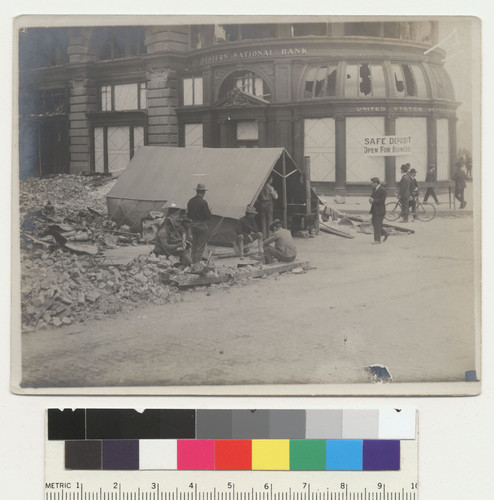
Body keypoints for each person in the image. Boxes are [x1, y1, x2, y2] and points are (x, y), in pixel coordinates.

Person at [187, 183, 212, 263]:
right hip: (202, 226)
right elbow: (208, 216)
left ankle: (193, 263)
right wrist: (209, 210)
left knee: (194, 245)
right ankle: (197, 265)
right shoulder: (203, 202)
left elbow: (188, 214)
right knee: (200, 247)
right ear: (203, 192)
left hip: (193, 225)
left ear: (197, 191)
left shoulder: (190, 201)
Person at [368, 177, 388, 244]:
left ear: (376, 183)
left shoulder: (383, 190)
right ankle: (385, 233)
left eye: (372, 183)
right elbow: (373, 196)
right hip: (374, 209)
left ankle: (377, 240)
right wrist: (371, 199)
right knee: (375, 223)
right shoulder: (374, 189)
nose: (371, 184)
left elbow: (382, 201)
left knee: (377, 225)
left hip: (380, 210)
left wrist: (373, 200)